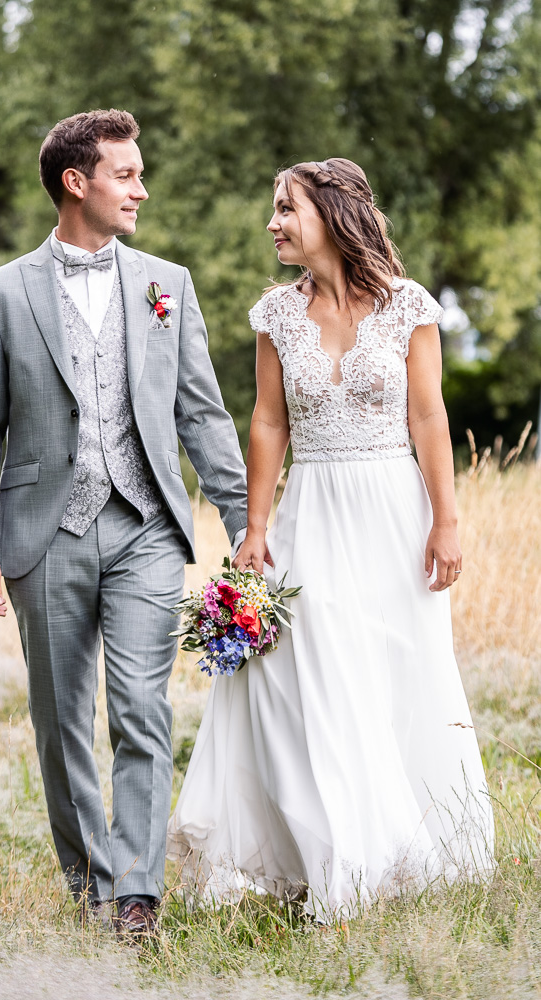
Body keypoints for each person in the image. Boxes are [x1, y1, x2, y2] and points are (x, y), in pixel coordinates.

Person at [167, 158, 494, 919]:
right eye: (274, 209)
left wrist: (445, 520)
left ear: (333, 216)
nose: (273, 223)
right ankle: (332, 856)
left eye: (287, 209)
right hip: (310, 510)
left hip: (393, 514)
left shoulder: (408, 306)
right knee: (311, 671)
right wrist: (255, 527)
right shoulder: (276, 316)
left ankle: (407, 852)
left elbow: (428, 417)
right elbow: (267, 422)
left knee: (395, 670)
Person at [0, 108, 247, 936]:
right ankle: (93, 884)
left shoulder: (166, 283)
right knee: (61, 722)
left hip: (146, 526)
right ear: (75, 182)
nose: (141, 190)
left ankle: (139, 895)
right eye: (126, 174)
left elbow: (201, 414)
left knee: (141, 711)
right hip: (43, 534)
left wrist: (245, 522)